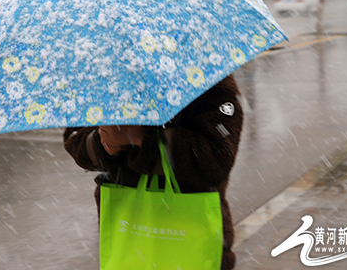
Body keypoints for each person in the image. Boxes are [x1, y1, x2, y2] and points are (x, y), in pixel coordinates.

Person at [63, 74, 244, 269]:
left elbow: (216, 159)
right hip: (128, 237)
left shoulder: (208, 76)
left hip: (191, 236)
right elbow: (75, 139)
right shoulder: (104, 74)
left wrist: (140, 139)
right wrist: (104, 142)